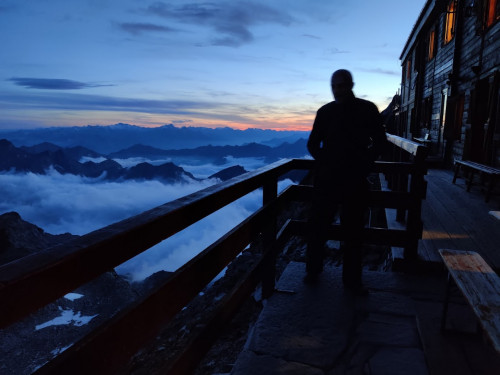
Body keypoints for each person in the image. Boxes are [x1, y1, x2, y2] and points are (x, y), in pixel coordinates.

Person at [305, 69, 387, 295]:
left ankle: (350, 282)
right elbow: (312, 144)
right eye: (335, 86)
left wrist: (364, 163)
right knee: (319, 227)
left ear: (351, 84)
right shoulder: (325, 112)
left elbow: (380, 142)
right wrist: (326, 162)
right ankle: (314, 272)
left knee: (353, 233)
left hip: (351, 180)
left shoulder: (367, 109)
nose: (338, 89)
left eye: (341, 85)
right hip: (330, 180)